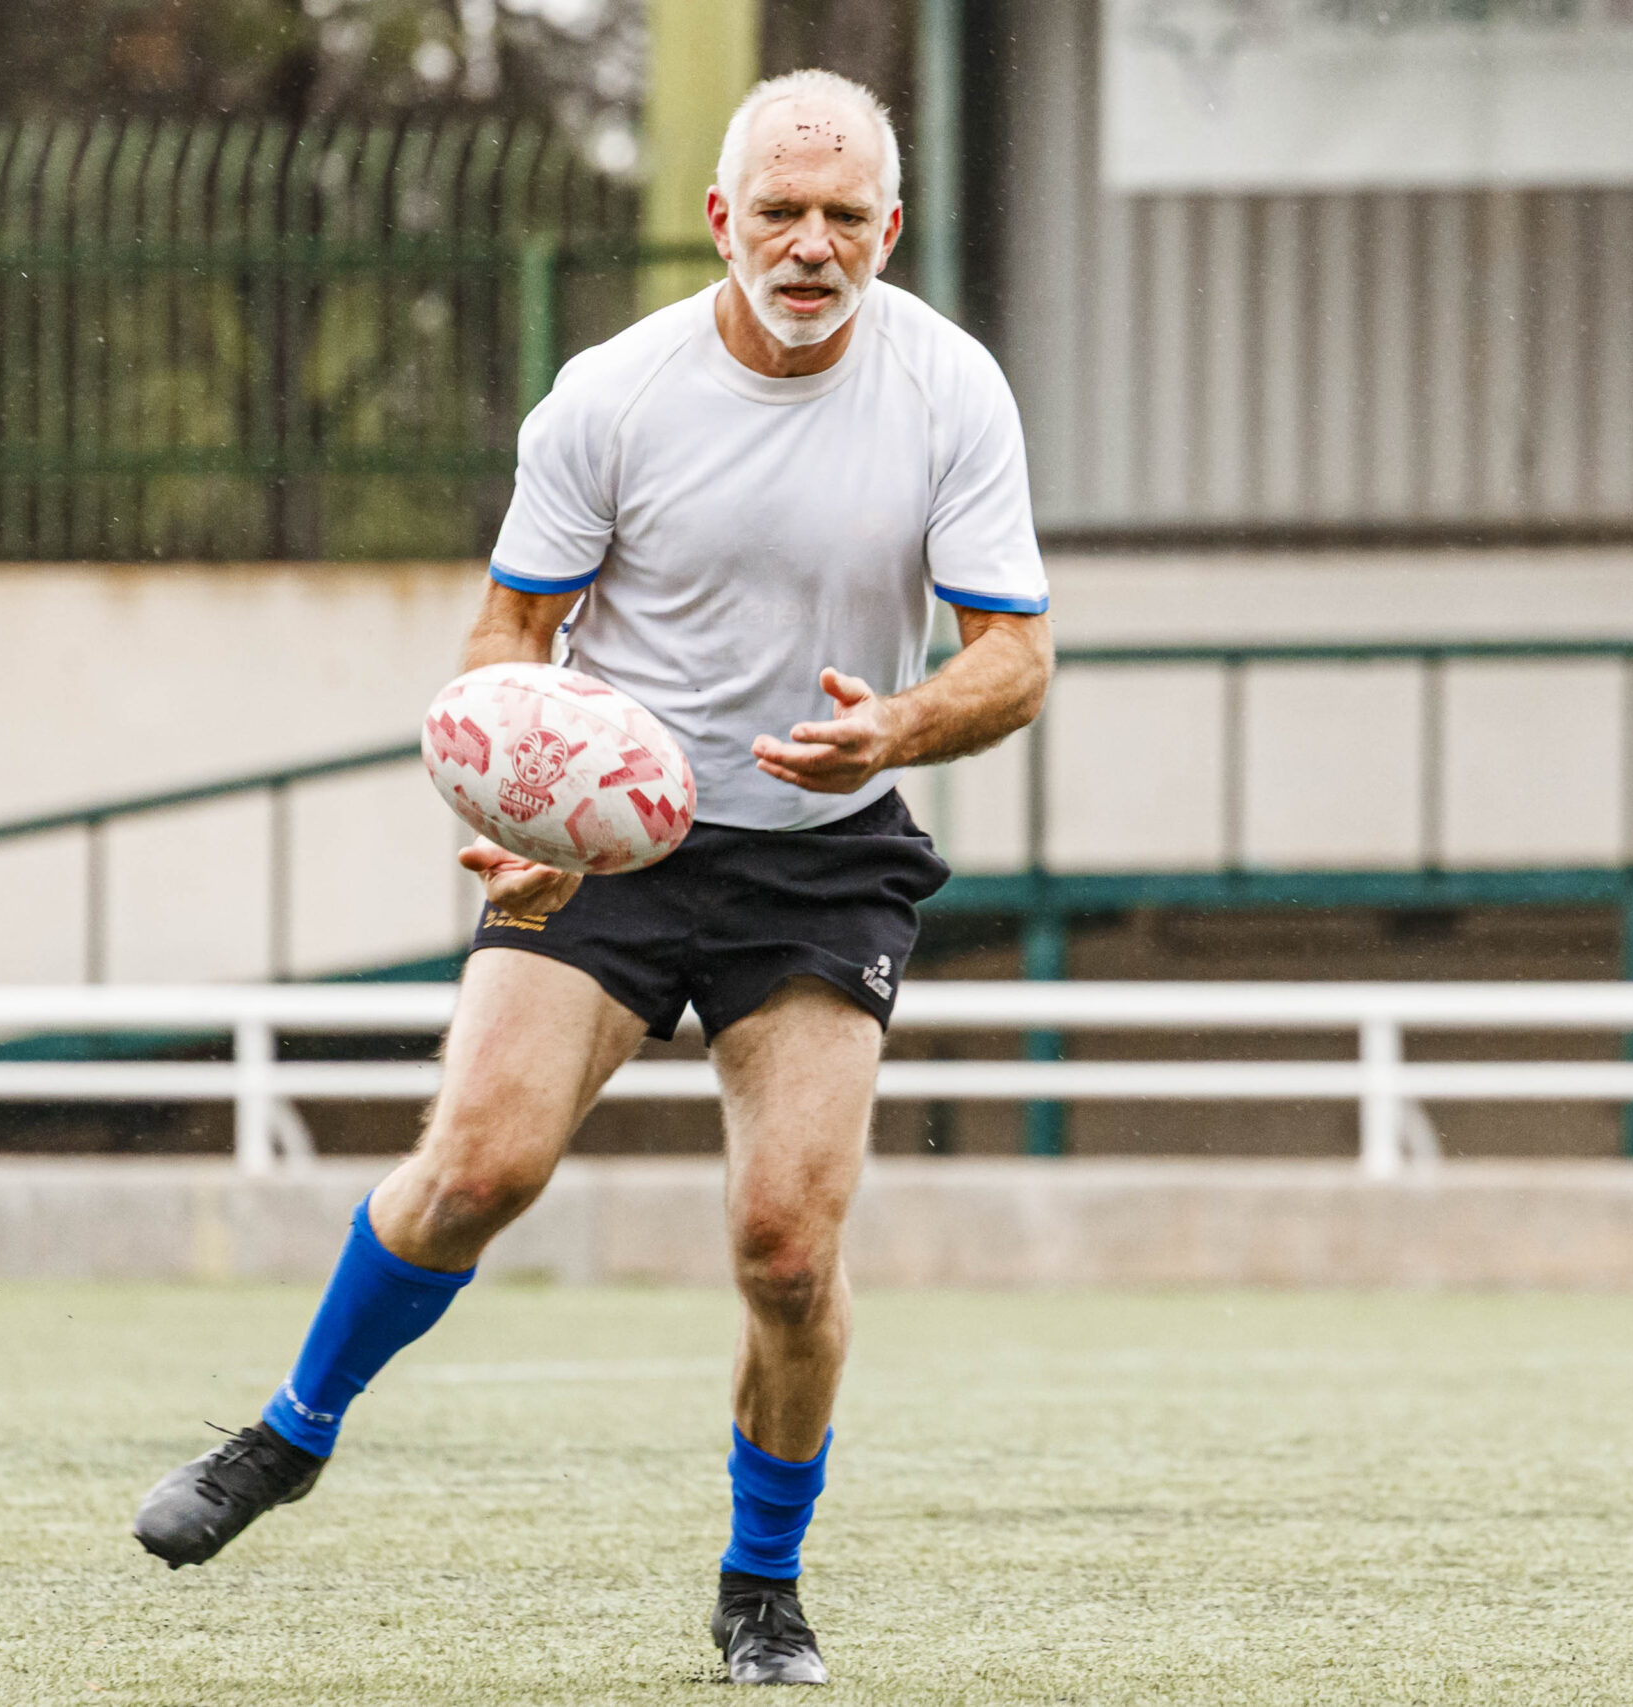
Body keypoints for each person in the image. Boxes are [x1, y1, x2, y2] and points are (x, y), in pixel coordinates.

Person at [134, 67, 1054, 1685]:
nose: (813, 244)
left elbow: (1019, 658)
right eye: (780, 210)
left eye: (847, 216)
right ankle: (287, 1432)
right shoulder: (611, 398)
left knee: (786, 1247)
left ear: (891, 231)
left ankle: (760, 1585)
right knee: (478, 1166)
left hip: (821, 858)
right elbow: (511, 633)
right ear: (720, 219)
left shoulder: (951, 391)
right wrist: (510, 795)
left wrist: (897, 724)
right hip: (608, 844)